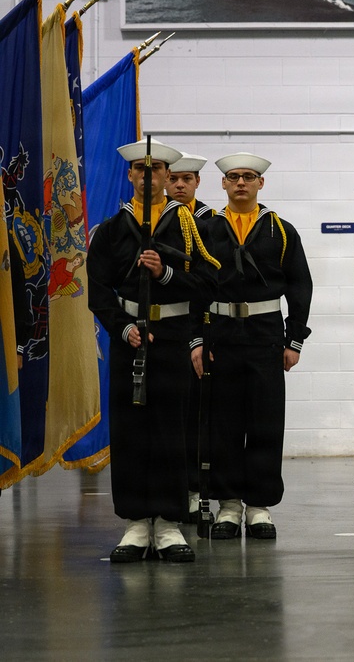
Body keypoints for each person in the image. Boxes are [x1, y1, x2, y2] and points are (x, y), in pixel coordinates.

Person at [87, 138, 220, 562]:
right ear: (131, 175)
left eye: (157, 169)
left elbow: (209, 284)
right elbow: (96, 290)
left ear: (167, 175)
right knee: (130, 429)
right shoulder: (111, 230)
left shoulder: (189, 226)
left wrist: (165, 276)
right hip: (131, 340)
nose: (149, 176)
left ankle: (167, 524)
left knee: (170, 430)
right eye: (140, 170)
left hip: (173, 337)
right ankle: (135, 524)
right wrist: (122, 327)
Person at [192, 153, 313, 540]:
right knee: (223, 423)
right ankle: (228, 505)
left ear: (261, 184)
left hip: (264, 335)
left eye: (248, 177)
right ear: (223, 185)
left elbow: (300, 286)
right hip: (220, 336)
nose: (241, 183)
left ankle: (259, 506)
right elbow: (193, 287)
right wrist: (198, 338)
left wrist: (294, 339)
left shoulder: (281, 230)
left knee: (264, 422)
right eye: (233, 177)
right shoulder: (204, 229)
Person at [167, 152, 216, 522]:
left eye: (188, 179)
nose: (180, 185)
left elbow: (213, 284)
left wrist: (201, 337)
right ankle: (172, 492)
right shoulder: (156, 221)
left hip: (200, 328)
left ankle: (199, 493)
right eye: (174, 179)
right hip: (167, 328)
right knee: (170, 417)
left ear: (198, 182)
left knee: (202, 417)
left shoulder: (211, 222)